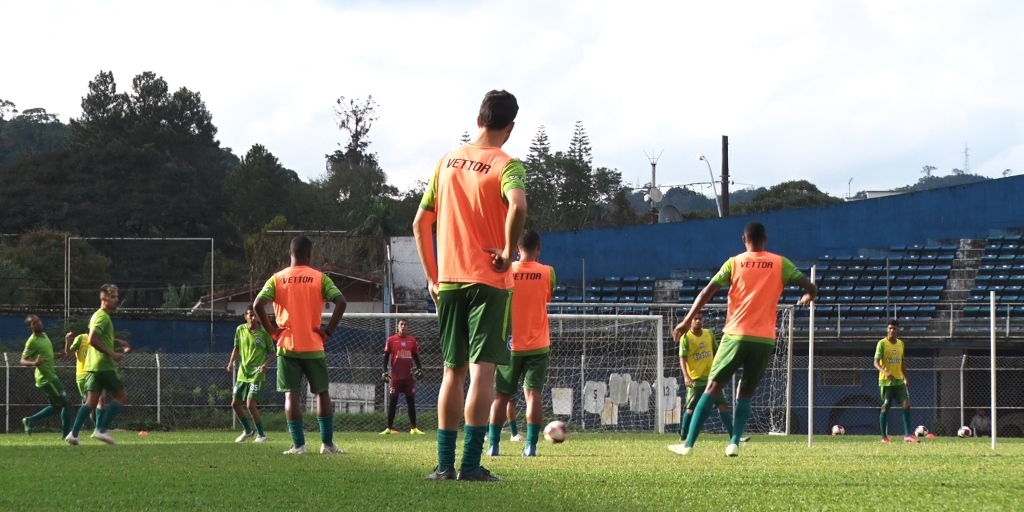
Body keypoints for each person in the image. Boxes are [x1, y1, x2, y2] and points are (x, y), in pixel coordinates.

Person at [414, 89, 527, 481]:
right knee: (482, 374)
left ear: (478, 119)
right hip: (489, 282)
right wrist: (510, 251)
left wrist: (433, 276)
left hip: (449, 283)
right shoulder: (507, 165)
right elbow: (519, 205)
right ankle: (471, 465)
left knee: (452, 372)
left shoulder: (446, 161)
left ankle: (444, 466)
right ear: (509, 129)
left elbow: (419, 223)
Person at [670, 222, 816, 457]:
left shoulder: (734, 262)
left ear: (743, 239)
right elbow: (811, 286)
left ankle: (687, 445)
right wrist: (808, 295)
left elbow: (707, 291)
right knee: (745, 393)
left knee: (712, 387)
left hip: (736, 334)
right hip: (764, 339)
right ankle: (734, 441)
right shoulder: (780, 263)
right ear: (765, 239)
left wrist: (686, 321)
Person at [254, 235, 347, 455]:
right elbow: (341, 302)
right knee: (322, 393)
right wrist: (328, 331)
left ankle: (299, 445)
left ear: (290, 254)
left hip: (286, 345)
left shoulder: (277, 279)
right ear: (309, 254)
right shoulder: (319, 278)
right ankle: (327, 445)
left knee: (291, 395)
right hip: (314, 345)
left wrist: (272, 331)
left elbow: (258, 304)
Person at [487, 229, 554, 457]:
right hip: (538, 344)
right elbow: (547, 296)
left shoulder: (508, 270)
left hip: (510, 344)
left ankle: (493, 446)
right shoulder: (547, 272)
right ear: (538, 248)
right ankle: (531, 446)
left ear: (517, 249)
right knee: (533, 395)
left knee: (501, 396)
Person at [66, 284, 132, 446]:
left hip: (93, 365)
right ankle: (101, 429)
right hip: (104, 365)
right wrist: (112, 354)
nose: (117, 299)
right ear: (103, 299)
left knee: (91, 402)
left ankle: (73, 434)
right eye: (113, 297)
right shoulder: (103, 317)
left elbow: (100, 339)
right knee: (121, 396)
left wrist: (116, 343)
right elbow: (93, 339)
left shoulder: (96, 316)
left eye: (117, 296)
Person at [677, 311, 749, 443]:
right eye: (695, 319)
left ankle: (734, 437)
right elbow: (682, 358)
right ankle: (683, 435)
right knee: (691, 409)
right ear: (690, 321)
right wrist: (686, 376)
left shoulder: (708, 334)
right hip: (695, 379)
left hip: (712, 378)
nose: (698, 321)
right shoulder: (685, 337)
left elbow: (716, 351)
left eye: (700, 318)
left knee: (724, 406)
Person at [226, 306, 276, 443]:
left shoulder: (264, 332)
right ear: (245, 316)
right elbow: (236, 348)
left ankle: (261, 435)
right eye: (251, 315)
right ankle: (248, 430)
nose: (253, 318)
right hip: (243, 373)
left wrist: (265, 365)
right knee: (235, 404)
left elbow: (272, 352)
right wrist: (231, 362)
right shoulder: (240, 330)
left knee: (250, 405)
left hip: (257, 373)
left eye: (256, 315)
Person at [20, 315, 72, 437]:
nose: (38, 323)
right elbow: (22, 360)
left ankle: (30, 420)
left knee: (56, 408)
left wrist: (59, 355)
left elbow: (47, 354)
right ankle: (67, 436)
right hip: (47, 378)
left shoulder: (45, 336)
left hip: (50, 376)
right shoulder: (32, 341)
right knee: (67, 403)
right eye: (34, 323)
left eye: (38, 320)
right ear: (30, 327)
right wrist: (34, 363)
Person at [874, 320, 918, 443]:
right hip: (885, 382)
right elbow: (876, 362)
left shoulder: (901, 344)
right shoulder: (882, 343)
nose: (892, 330)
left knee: (906, 403)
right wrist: (885, 372)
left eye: (894, 328)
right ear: (887, 329)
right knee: (886, 407)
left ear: (898, 330)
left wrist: (906, 377)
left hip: (899, 380)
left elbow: (902, 363)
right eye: (890, 328)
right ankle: (884, 437)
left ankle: (908, 435)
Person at [380, 318, 425, 435]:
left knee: (411, 402)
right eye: (401, 324)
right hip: (395, 377)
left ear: (408, 327)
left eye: (405, 324)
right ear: (397, 326)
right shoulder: (391, 340)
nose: (403, 326)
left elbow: (415, 356)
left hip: (409, 377)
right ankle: (389, 428)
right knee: (393, 403)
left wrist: (420, 368)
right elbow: (386, 356)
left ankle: (413, 428)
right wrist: (384, 370)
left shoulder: (412, 341)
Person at [65, 331, 105, 429]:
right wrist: (68, 341)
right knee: (91, 405)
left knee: (101, 399)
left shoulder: (102, 339)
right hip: (83, 375)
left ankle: (99, 429)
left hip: (96, 374)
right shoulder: (81, 338)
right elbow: (69, 354)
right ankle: (78, 429)